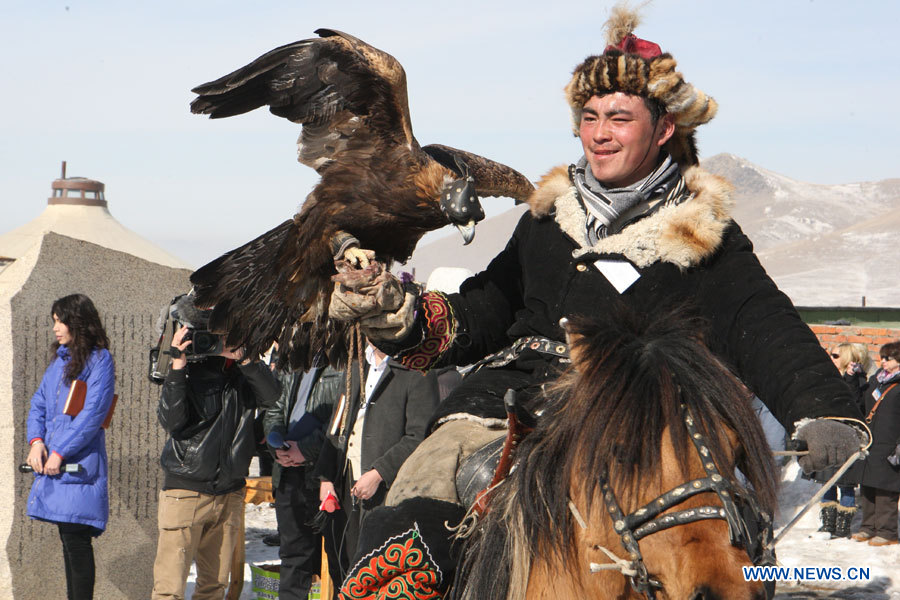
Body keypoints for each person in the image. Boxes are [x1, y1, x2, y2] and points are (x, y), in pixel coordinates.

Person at [327, 6, 865, 597]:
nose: (599, 133)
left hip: (645, 427)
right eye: (589, 117)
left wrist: (823, 410)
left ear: (663, 128)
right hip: (513, 406)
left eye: (618, 117)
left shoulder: (704, 234)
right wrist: (399, 313)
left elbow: (764, 324)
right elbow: (489, 309)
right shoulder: (548, 220)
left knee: (727, 556)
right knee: (416, 512)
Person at [151, 293, 281, 600]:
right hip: (185, 491)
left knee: (214, 589)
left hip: (229, 493)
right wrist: (178, 367)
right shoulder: (191, 367)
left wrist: (246, 359)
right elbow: (171, 421)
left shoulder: (245, 371)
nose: (219, 340)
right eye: (215, 333)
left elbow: (274, 398)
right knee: (169, 590)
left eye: (227, 332)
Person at [315, 342, 441, 584]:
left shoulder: (417, 369)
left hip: (386, 491)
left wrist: (379, 473)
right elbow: (336, 424)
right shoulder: (356, 365)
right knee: (343, 566)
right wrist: (326, 477)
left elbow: (420, 435)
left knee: (376, 572)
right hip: (345, 485)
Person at [25, 293, 115, 600]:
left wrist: (60, 451)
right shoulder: (59, 361)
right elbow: (38, 403)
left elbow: (92, 415)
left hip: (78, 465)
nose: (56, 328)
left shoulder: (100, 360)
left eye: (61, 321)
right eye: (54, 322)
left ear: (78, 322)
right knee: (68, 538)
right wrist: (36, 442)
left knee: (76, 540)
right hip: (54, 462)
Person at [263, 357, 344, 600]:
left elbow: (341, 420)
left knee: (337, 557)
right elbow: (274, 408)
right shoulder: (295, 357)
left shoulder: (341, 361)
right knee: (292, 555)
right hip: (288, 472)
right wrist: (276, 443)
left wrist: (305, 449)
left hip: (324, 474)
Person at [811, 342, 872, 537]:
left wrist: (852, 378)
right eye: (831, 354)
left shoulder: (859, 380)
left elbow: (855, 404)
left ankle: (843, 526)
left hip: (847, 438)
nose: (831, 358)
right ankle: (828, 524)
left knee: (846, 482)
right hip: (827, 434)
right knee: (826, 480)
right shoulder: (828, 377)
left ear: (847, 358)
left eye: (836, 355)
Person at [851, 341, 900, 546]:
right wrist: (855, 379)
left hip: (891, 442)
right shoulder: (875, 381)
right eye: (882, 357)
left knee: (886, 489)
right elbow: (858, 402)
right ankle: (868, 527)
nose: (884, 361)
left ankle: (887, 532)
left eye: (889, 358)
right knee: (868, 486)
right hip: (871, 441)